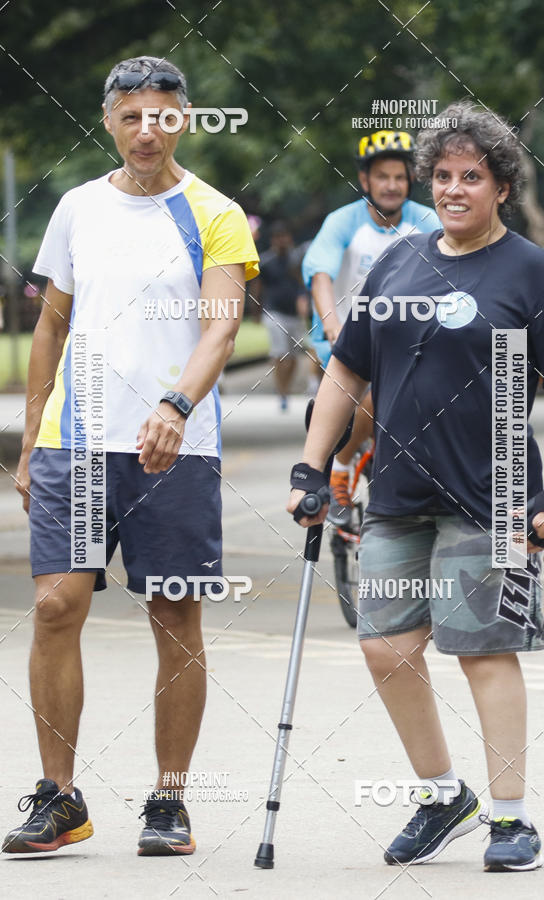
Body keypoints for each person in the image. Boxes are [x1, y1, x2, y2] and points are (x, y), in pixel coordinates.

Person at [288, 102, 544, 872]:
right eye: (445, 176)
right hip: (397, 490)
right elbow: (347, 369)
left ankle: (511, 818)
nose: (454, 188)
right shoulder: (398, 260)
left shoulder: (531, 272)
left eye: (473, 176)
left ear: (500, 186)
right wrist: (312, 463)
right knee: (386, 647)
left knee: (482, 649)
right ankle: (441, 794)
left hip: (494, 495)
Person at [4, 56, 258, 857]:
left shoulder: (216, 212)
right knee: (54, 607)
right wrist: (27, 439)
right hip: (74, 445)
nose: (148, 130)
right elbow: (50, 326)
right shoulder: (77, 208)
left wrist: (176, 406)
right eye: (131, 115)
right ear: (108, 121)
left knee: (175, 618)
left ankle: (168, 801)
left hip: (175, 451)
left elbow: (221, 324)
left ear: (184, 119)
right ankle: (59, 797)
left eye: (164, 115)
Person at [302, 130, 440, 526]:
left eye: (399, 177)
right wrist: (333, 326)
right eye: (383, 177)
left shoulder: (426, 222)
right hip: (345, 343)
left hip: (412, 345)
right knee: (377, 390)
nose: (392, 186)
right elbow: (320, 274)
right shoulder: (342, 222)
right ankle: (341, 468)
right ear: (365, 181)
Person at [257, 221, 310, 410]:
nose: (282, 240)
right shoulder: (265, 262)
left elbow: (303, 283)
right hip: (274, 312)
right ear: (273, 240)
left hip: (294, 313)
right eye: (278, 237)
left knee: (294, 356)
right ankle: (281, 392)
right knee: (281, 354)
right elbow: (258, 288)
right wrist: (256, 310)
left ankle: (286, 388)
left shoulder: (296, 259)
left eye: (285, 236)